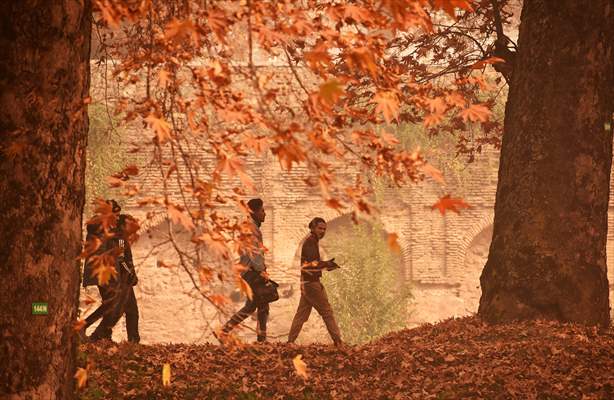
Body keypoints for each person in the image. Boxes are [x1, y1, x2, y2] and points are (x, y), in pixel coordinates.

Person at [83, 201, 140, 343]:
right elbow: (121, 258)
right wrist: (131, 274)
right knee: (113, 306)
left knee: (120, 309)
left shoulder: (110, 232)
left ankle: (103, 335)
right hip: (112, 275)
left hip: (114, 276)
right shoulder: (116, 235)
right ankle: (94, 332)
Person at [218, 198, 270, 342]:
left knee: (258, 305)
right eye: (262, 211)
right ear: (254, 212)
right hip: (252, 272)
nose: (264, 214)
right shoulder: (251, 228)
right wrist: (261, 270)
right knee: (256, 305)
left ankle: (260, 338)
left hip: (250, 271)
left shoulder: (251, 226)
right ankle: (226, 331)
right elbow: (254, 253)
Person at [287, 217, 343, 347]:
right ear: (312, 228)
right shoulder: (310, 242)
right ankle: (338, 342)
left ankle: (290, 342)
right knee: (327, 312)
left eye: (324, 229)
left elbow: (311, 264)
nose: (322, 231)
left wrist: (326, 265)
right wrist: (327, 264)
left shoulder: (312, 241)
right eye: (320, 228)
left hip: (307, 283)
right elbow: (311, 265)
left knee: (301, 315)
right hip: (311, 284)